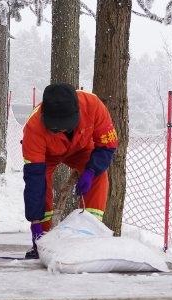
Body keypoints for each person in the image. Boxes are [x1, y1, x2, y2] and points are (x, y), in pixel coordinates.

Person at [22, 83, 118, 259]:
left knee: (99, 177)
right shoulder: (33, 128)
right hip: (47, 156)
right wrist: (35, 222)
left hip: (82, 149)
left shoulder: (93, 105)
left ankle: (89, 234)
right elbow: (34, 180)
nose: (62, 130)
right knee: (42, 185)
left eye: (66, 126)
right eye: (56, 128)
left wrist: (91, 171)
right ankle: (42, 241)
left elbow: (107, 146)